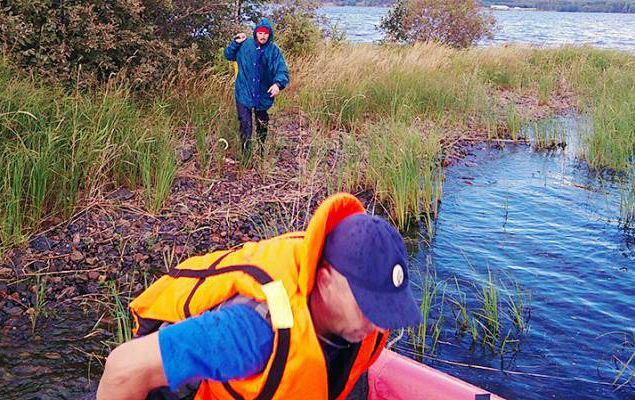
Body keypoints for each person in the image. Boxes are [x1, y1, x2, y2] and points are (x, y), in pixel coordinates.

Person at [96, 193, 422, 400]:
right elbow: (124, 368)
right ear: (324, 281)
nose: (378, 321)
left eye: (386, 308)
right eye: (367, 304)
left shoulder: (364, 327)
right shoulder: (251, 331)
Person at [223, 18, 290, 161]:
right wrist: (235, 43)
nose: (263, 36)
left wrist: (277, 84)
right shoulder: (245, 45)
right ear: (256, 33)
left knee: (262, 122)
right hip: (244, 91)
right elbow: (228, 54)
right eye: (260, 33)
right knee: (245, 124)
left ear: (269, 34)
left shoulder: (273, 51)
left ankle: (261, 150)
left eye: (266, 34)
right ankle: (246, 157)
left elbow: (282, 70)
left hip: (263, 93)